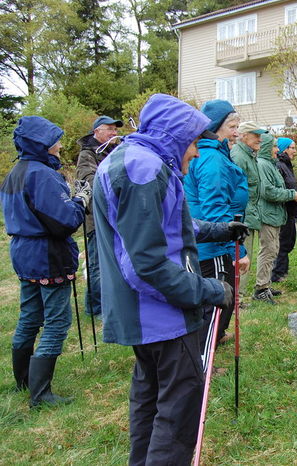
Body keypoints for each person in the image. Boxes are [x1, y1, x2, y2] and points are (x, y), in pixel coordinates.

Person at [91, 94, 248, 465]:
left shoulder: (139, 161)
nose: (195, 153)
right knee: (178, 414)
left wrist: (220, 229)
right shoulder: (143, 171)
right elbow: (146, 264)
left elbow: (168, 226)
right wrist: (208, 289)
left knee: (150, 401)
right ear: (176, 135)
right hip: (162, 318)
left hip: (146, 317)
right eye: (193, 142)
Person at [0, 116, 89, 407]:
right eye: (55, 141)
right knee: (56, 321)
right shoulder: (41, 174)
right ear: (42, 145)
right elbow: (64, 223)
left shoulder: (15, 172)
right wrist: (80, 200)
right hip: (46, 253)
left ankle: (23, 382)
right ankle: (40, 393)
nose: (60, 145)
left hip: (23, 252)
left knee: (29, 317)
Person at [184, 99, 249, 350]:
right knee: (218, 298)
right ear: (215, 127)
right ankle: (203, 353)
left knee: (221, 296)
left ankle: (215, 337)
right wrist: (238, 251)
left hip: (209, 240)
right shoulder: (212, 159)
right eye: (232, 126)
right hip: (213, 245)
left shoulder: (212, 153)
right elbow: (215, 208)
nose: (236, 132)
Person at [76, 115, 123, 319]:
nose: (114, 133)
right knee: (96, 264)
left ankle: (111, 302)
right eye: (109, 129)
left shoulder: (115, 151)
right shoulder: (87, 155)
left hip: (115, 217)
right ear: (96, 132)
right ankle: (95, 308)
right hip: (96, 219)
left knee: (115, 262)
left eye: (115, 129)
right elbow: (89, 183)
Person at [255, 134, 297, 302]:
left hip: (275, 214)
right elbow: (268, 191)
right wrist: (291, 194)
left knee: (273, 249)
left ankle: (265, 285)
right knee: (268, 251)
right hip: (267, 214)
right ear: (267, 148)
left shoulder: (270, 164)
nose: (277, 150)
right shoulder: (262, 165)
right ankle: (261, 288)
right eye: (274, 147)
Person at [230, 121, 268, 300]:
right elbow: (235, 190)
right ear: (244, 136)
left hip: (251, 214)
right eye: (256, 135)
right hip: (242, 215)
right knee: (243, 257)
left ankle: (239, 296)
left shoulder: (250, 155)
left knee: (247, 256)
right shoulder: (239, 156)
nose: (259, 139)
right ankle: (238, 298)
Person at [271, 137, 297, 283]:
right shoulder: (279, 165)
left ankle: (282, 270)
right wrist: (293, 194)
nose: (295, 151)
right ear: (284, 149)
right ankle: (277, 273)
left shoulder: (286, 164)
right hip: (284, 209)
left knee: (288, 241)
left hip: (292, 209)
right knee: (284, 241)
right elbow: (280, 188)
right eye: (292, 148)